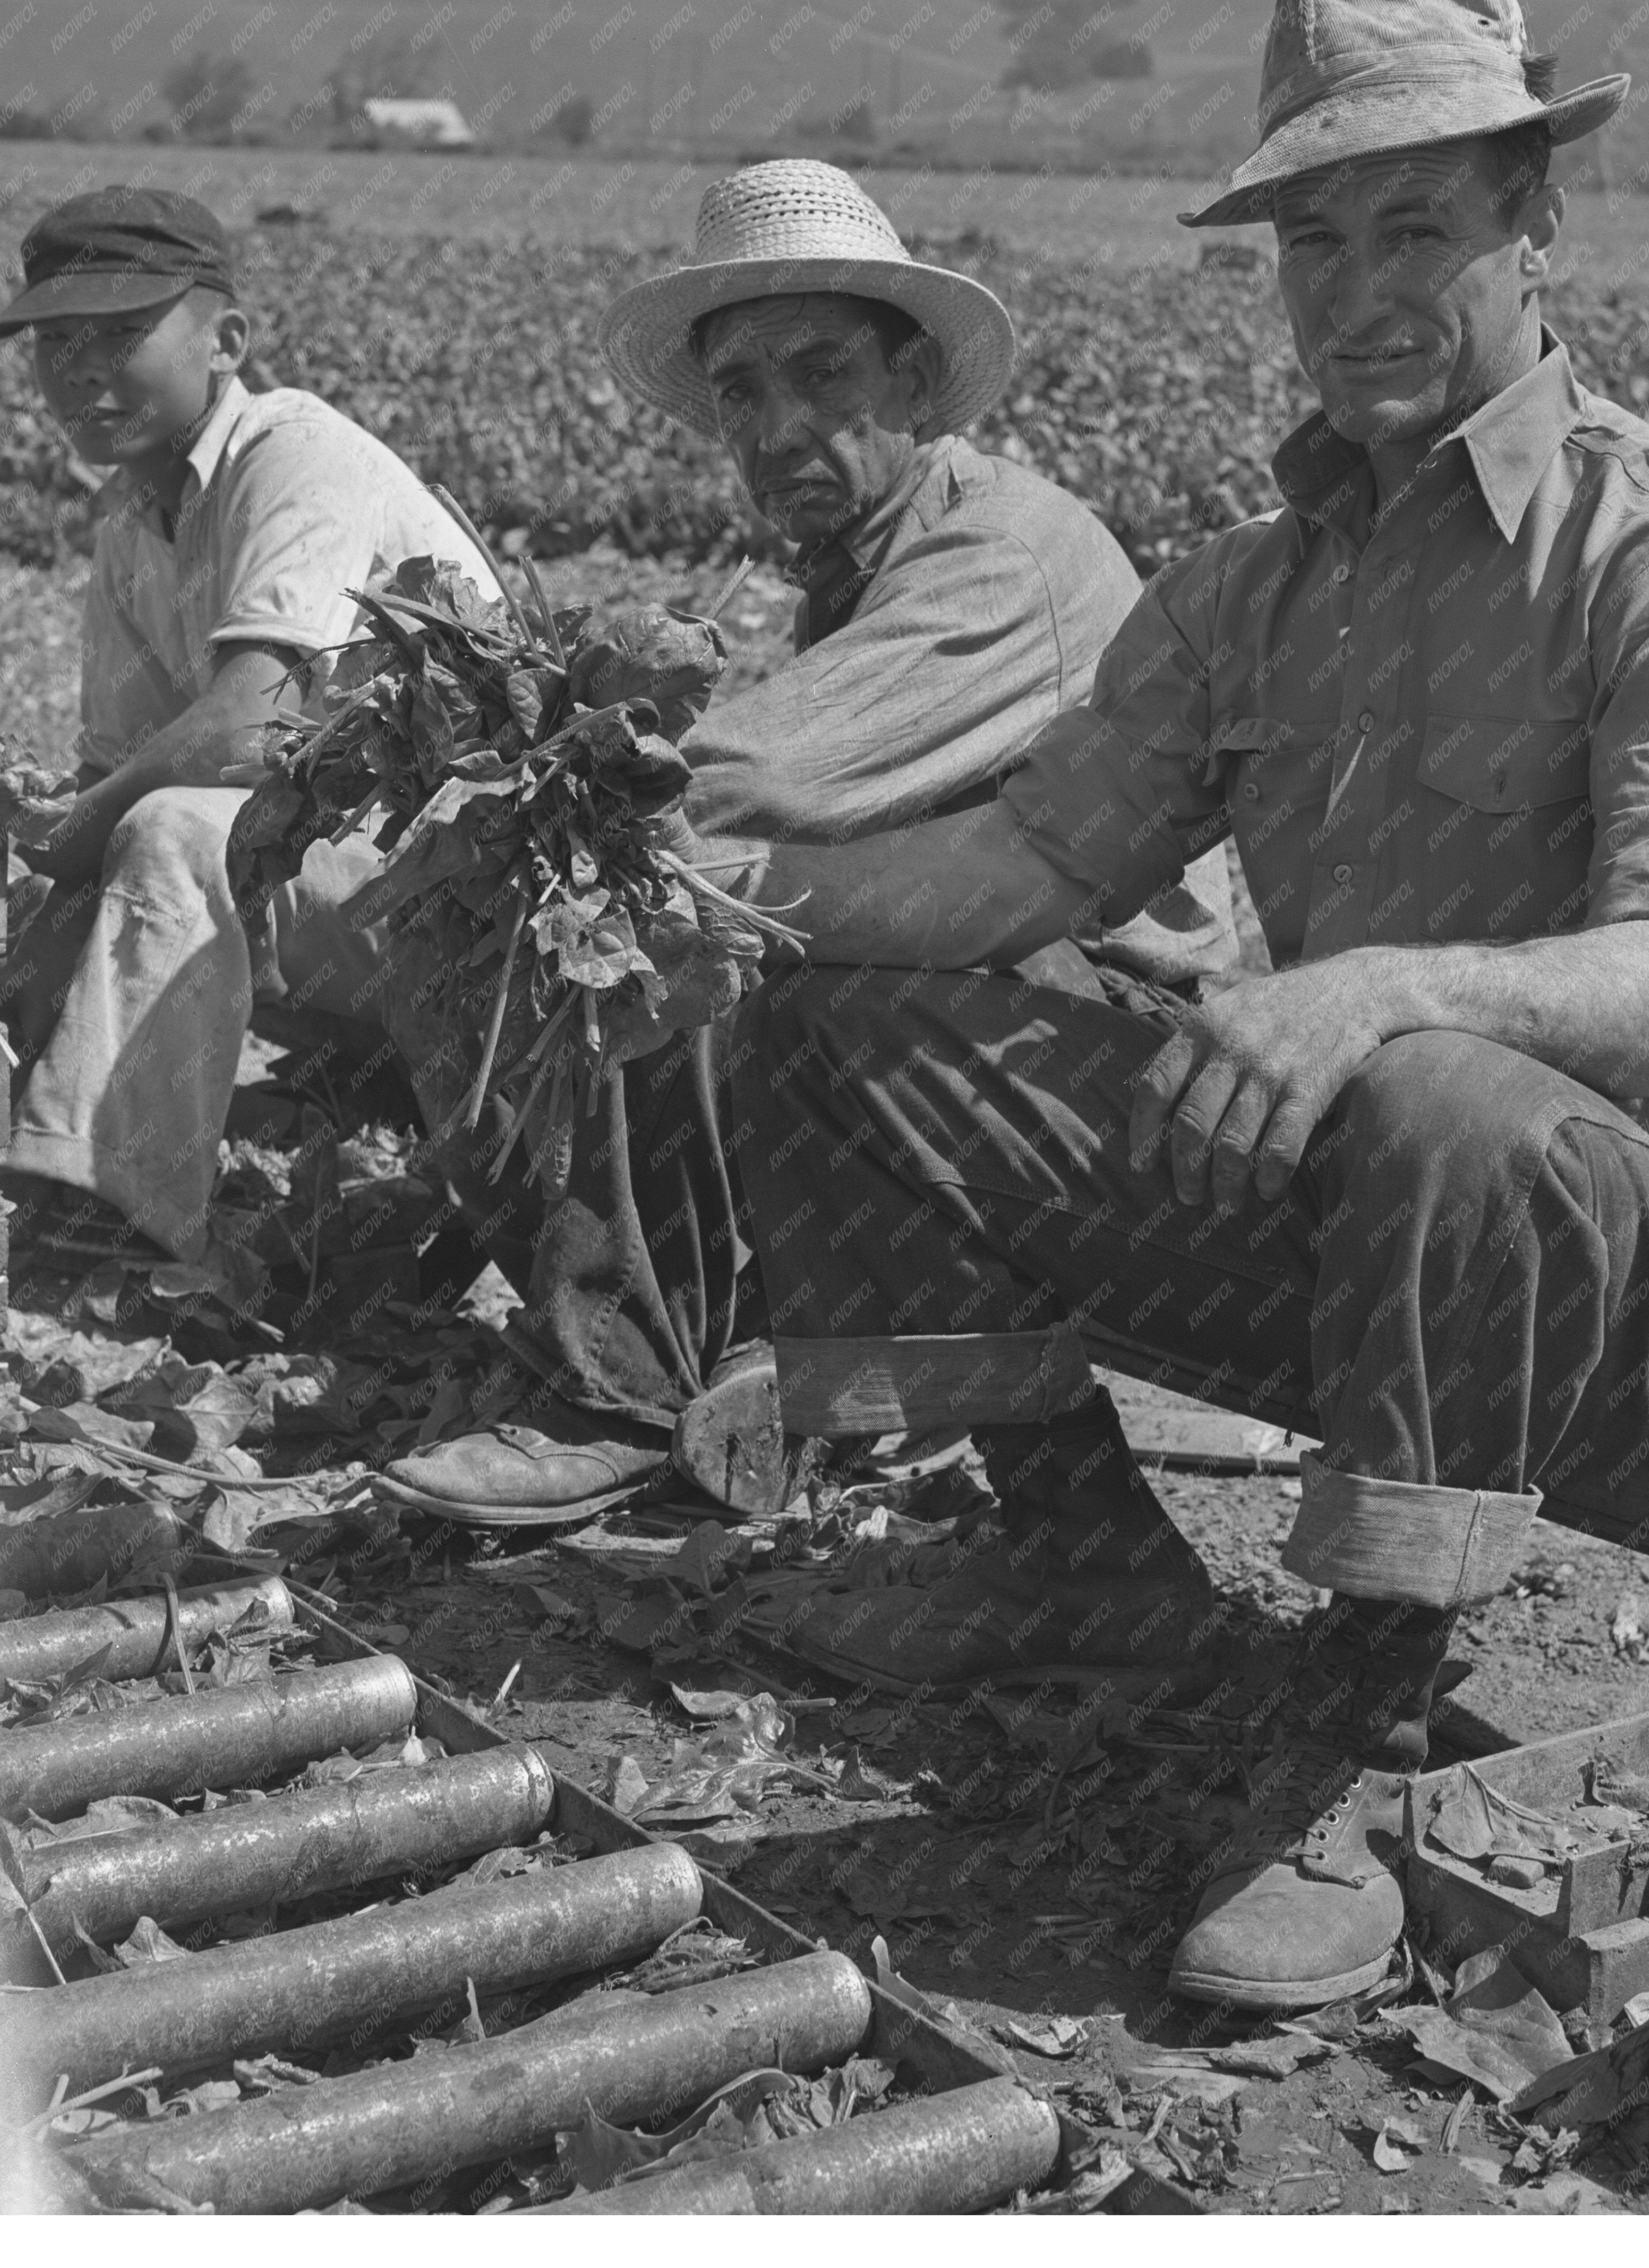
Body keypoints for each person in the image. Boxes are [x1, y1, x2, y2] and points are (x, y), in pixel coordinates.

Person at [672, 0, 1649, 2012]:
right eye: (1315, 240)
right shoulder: (1252, 585)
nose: (1357, 289)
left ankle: (1357, 1741)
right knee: (830, 1006)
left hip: (1641, 1262)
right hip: (1349, 1219)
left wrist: (1377, 988)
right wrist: (723, 891)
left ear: (1532, 222)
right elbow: (1027, 868)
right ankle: (1081, 1561)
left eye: (1415, 226)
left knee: (1433, 1084)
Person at [375, 158, 1236, 1526]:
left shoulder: (997, 555)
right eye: (741, 392)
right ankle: (718, 1341)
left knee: (658, 906)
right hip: (998, 1003)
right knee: (667, 906)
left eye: (823, 374)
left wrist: (535, 764)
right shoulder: (860, 571)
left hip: (1117, 1049)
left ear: (913, 381)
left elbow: (746, 784)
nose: (778, 427)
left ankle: (627, 1386)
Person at [0, 186, 500, 1264]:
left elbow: (246, 730)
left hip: (480, 902)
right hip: (346, 892)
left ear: (226, 341)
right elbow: (111, 769)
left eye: (119, 334)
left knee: (172, 830)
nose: (80, 370)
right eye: (55, 343)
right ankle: (24, 1142)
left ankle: (114, 1219)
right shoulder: (133, 525)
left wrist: (56, 840)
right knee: (92, 861)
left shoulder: (295, 454)